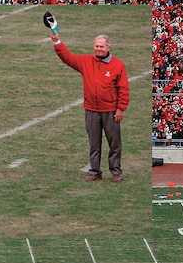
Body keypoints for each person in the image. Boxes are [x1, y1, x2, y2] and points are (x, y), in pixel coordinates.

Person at [50, 31, 129, 182]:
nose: (98, 49)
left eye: (101, 46)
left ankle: (116, 171)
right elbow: (67, 58)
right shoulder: (86, 61)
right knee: (94, 143)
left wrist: (120, 108)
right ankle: (95, 171)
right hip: (91, 110)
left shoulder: (118, 65)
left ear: (108, 47)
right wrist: (57, 42)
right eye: (96, 46)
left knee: (115, 143)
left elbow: (123, 88)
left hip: (110, 111)